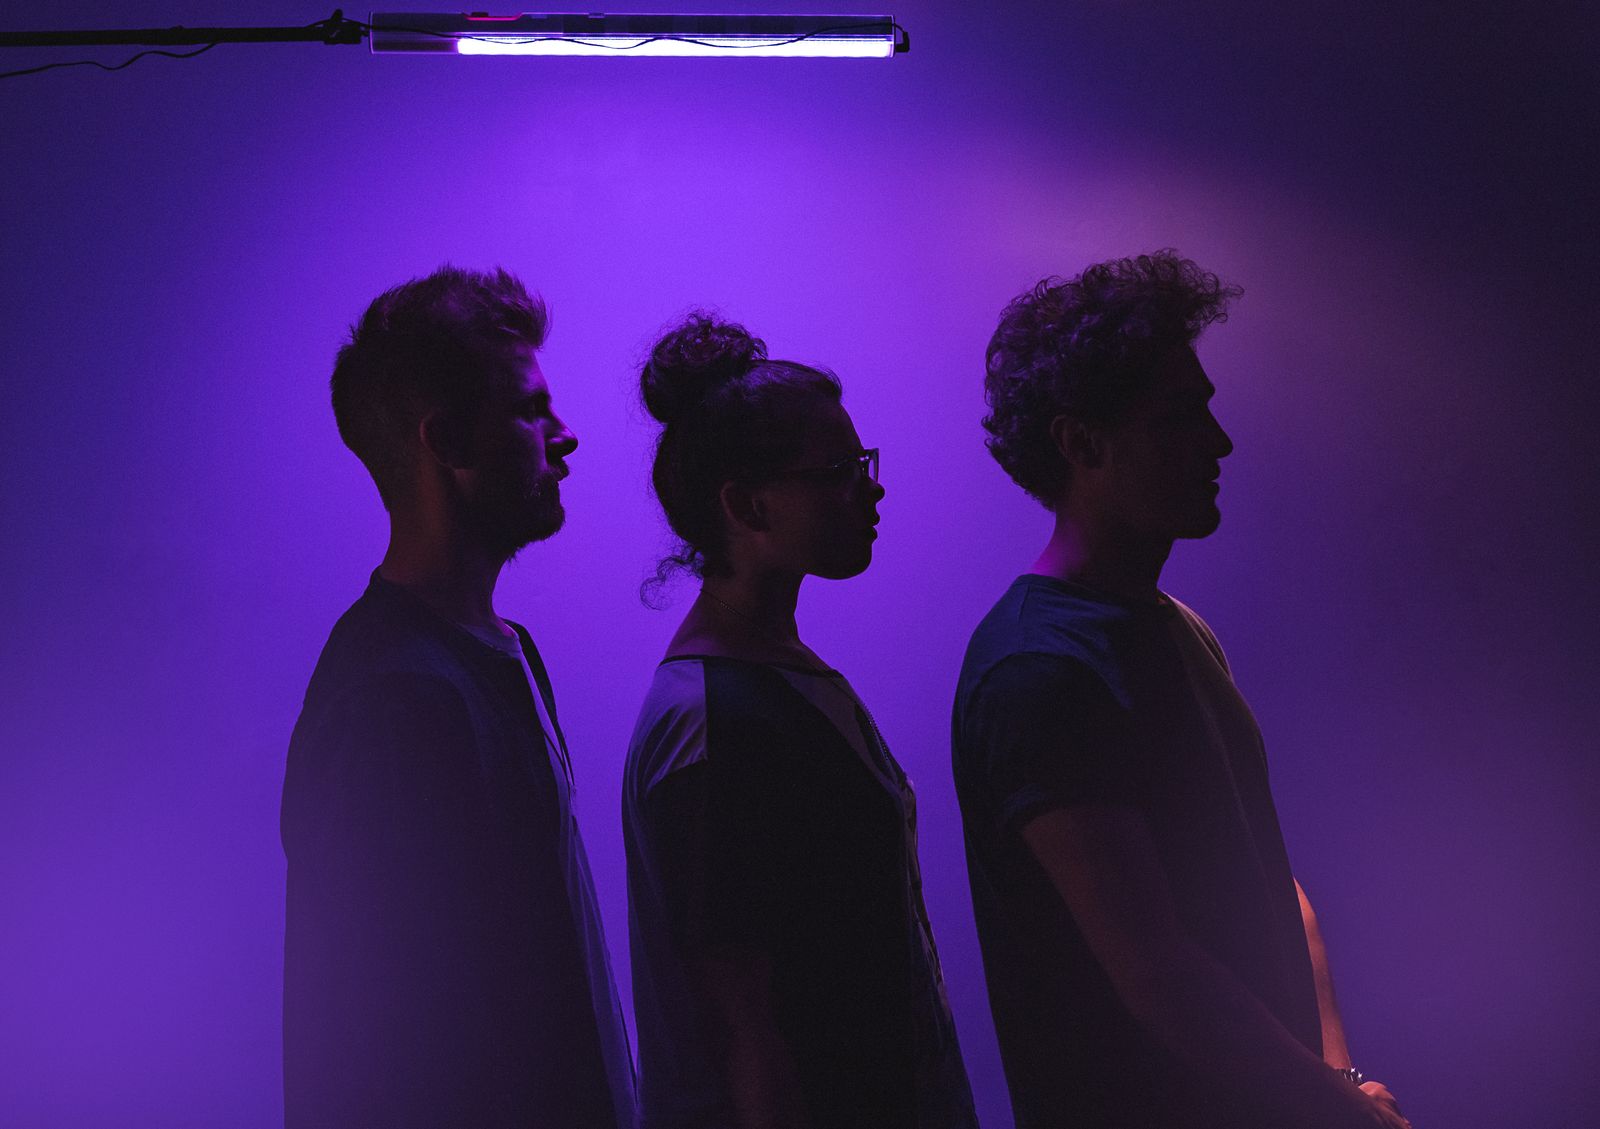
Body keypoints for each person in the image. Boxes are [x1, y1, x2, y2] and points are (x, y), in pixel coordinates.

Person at [953, 252, 1410, 1129]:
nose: (1219, 441)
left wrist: (1340, 1086)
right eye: (1179, 416)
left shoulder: (1178, 629)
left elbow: (1273, 888)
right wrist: (1336, 1105)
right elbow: (1156, 970)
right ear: (1082, 443)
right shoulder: (1037, 667)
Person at [281, 266, 634, 1129]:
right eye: (530, 409)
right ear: (446, 441)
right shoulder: (391, 699)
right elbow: (387, 1048)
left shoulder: (507, 654)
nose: (565, 435)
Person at [622, 313, 977, 1129]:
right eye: (839, 472)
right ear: (746, 503)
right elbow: (740, 1029)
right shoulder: (708, 720)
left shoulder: (781, 682)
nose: (871, 488)